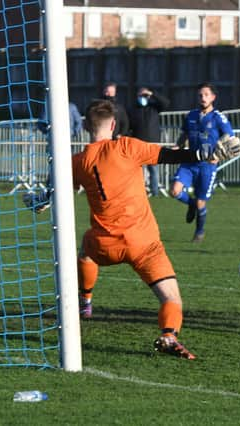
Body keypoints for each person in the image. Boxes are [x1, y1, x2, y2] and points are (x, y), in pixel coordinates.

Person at [72, 99, 217, 360]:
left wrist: (43, 200)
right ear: (114, 125)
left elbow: (59, 191)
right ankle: (169, 334)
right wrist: (200, 154)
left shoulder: (78, 161)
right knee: (171, 297)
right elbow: (168, 155)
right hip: (144, 244)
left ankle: (86, 301)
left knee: (85, 250)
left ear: (84, 125)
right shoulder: (127, 146)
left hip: (106, 244)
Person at [170, 82, 234, 243]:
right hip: (189, 161)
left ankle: (199, 232)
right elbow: (184, 135)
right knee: (174, 191)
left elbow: (230, 137)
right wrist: (177, 146)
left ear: (213, 97)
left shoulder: (218, 117)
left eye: (206, 95)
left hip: (207, 165)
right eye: (200, 95)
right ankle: (190, 203)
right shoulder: (191, 115)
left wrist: (219, 154)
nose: (203, 98)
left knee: (201, 202)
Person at [128, 87, 170, 196]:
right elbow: (129, 125)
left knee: (153, 169)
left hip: (153, 142)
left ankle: (154, 192)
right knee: (139, 170)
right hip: (138, 143)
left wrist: (152, 94)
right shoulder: (133, 109)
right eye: (140, 96)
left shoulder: (154, 107)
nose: (142, 98)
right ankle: (140, 192)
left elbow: (165, 103)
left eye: (144, 96)